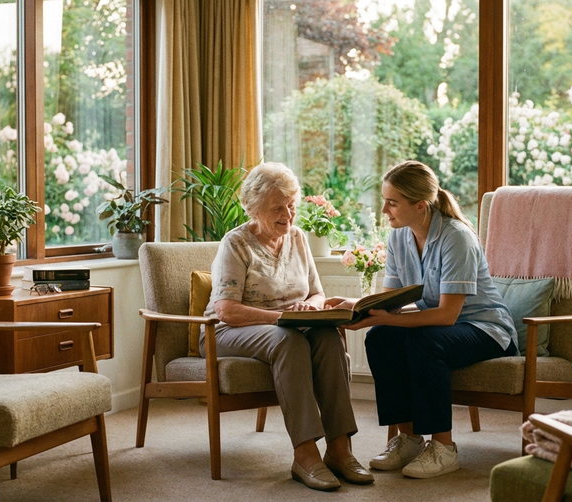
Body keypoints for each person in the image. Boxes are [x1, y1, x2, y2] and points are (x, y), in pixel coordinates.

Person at [327, 160, 518, 479]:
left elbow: (447, 315)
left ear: (420, 205)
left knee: (424, 341)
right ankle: (409, 439)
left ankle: (444, 448)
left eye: (392, 202)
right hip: (444, 327)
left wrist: (385, 319)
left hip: (486, 330)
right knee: (380, 337)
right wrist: (355, 306)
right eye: (385, 200)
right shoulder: (398, 237)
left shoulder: (456, 237)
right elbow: (391, 302)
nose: (384, 210)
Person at [202, 162, 372, 492]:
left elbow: (317, 292)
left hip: (289, 326)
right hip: (226, 332)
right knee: (288, 340)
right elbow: (225, 309)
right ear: (253, 208)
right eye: (277, 208)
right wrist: (282, 317)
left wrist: (311, 307)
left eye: (291, 205)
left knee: (328, 337)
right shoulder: (236, 244)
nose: (288, 215)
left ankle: (340, 450)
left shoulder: (297, 238)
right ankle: (305, 455)